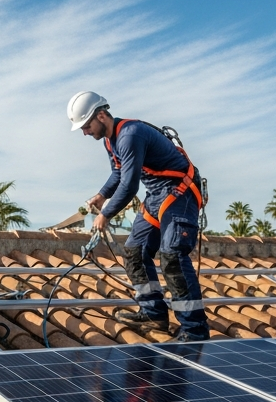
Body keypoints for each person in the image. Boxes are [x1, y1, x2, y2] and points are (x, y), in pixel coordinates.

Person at [67, 90, 208, 342]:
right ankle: (154, 313)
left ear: (101, 115)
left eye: (87, 126)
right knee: (135, 252)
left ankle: (194, 329)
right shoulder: (110, 141)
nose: (85, 132)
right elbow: (118, 174)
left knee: (172, 255)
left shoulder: (130, 135)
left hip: (179, 191)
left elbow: (130, 186)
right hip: (157, 194)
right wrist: (101, 196)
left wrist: (106, 214)